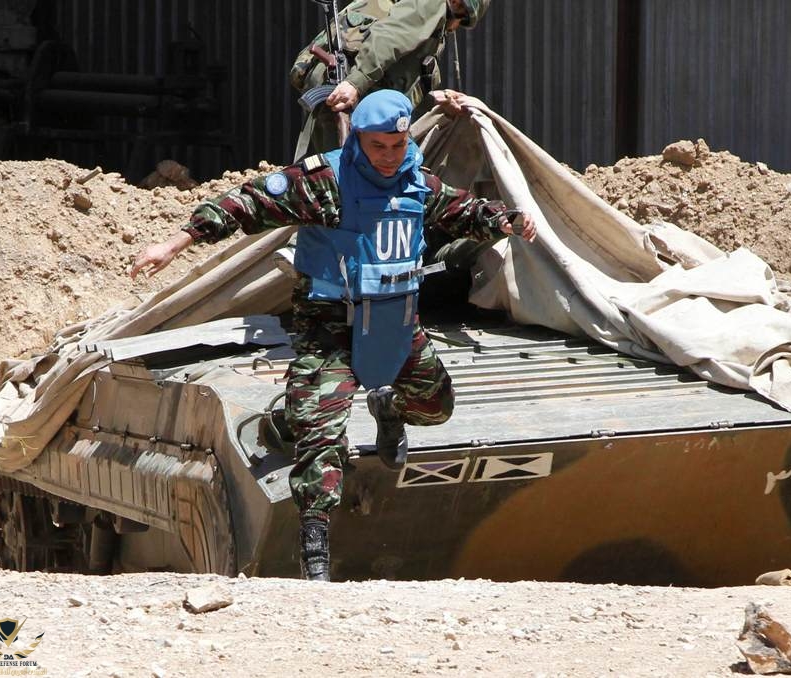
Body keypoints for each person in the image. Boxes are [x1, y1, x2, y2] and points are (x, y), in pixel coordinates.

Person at [130, 89, 535, 581]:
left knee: (435, 407)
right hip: (329, 328)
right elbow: (245, 203)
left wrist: (507, 221)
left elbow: (464, 211)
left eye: (397, 144)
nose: (389, 156)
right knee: (320, 439)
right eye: (378, 146)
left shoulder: (418, 181)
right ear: (359, 139)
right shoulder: (323, 181)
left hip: (395, 322)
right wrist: (173, 244)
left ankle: (385, 408)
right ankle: (315, 546)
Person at [290, 0, 492, 158]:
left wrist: (437, 99)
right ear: (458, 4)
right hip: (346, 90)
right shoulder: (433, 3)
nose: (455, 26)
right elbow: (390, 36)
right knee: (344, 179)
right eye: (461, 18)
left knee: (335, 177)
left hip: (348, 92)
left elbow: (402, 80)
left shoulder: (427, 24)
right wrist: (355, 82)